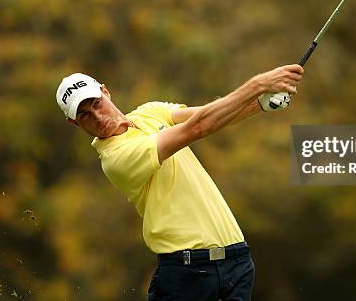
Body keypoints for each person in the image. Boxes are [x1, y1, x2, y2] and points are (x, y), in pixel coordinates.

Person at [55, 64, 304, 301]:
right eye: (85, 115)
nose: (97, 116)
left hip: (237, 264)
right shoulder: (116, 158)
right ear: (74, 123)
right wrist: (259, 84)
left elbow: (211, 114)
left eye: (97, 103)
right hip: (188, 274)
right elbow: (198, 127)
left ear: (105, 91)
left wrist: (259, 104)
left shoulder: (148, 112)